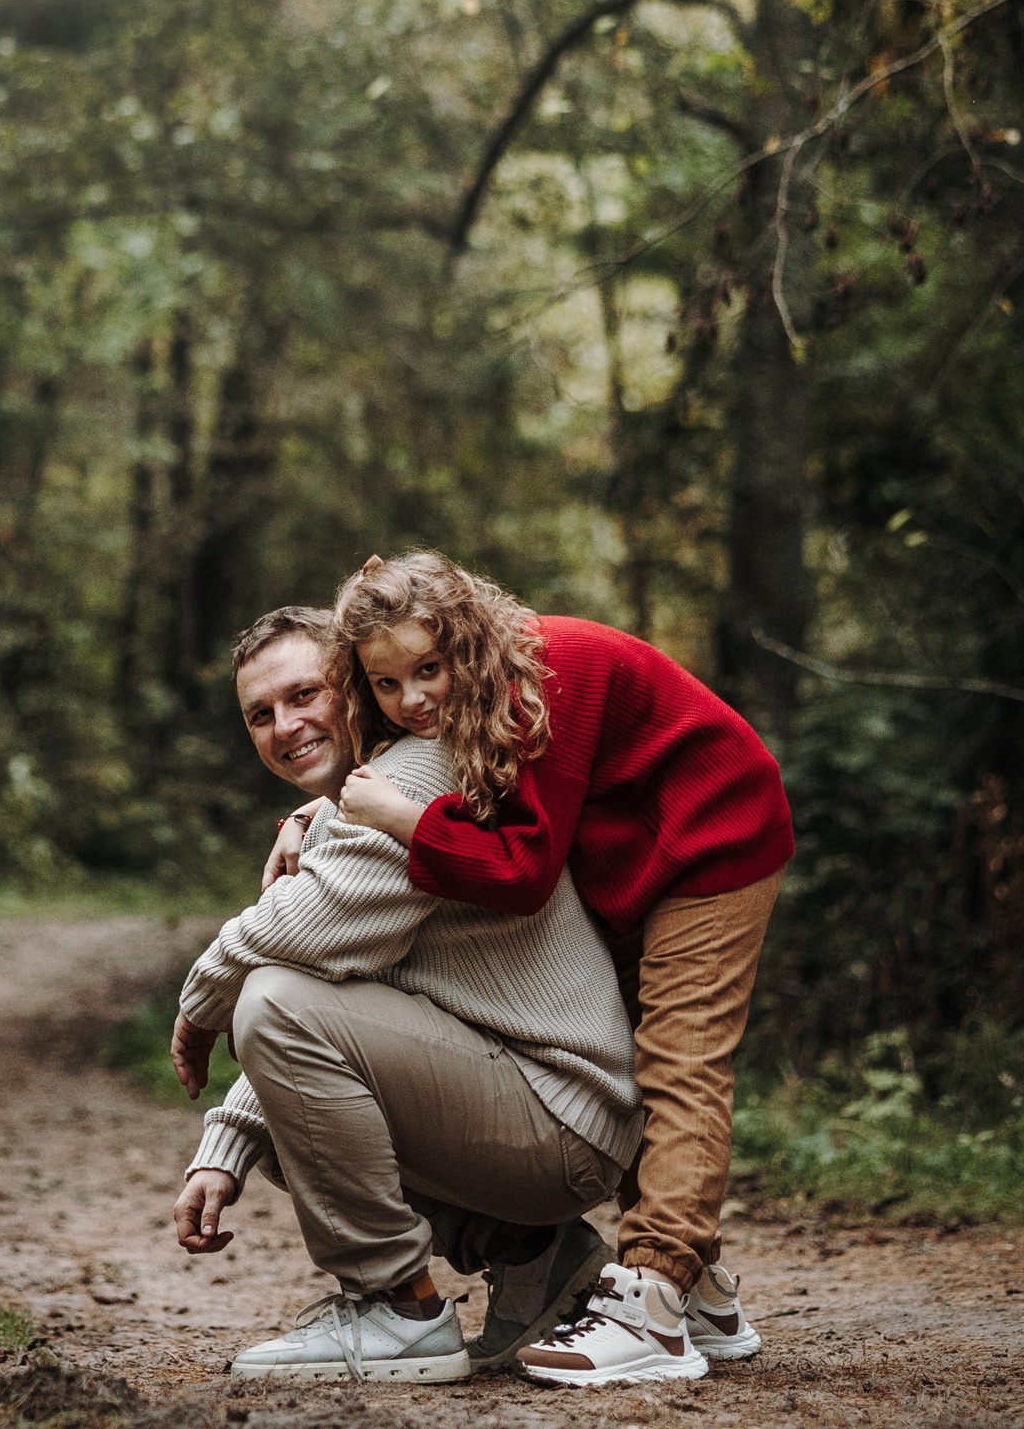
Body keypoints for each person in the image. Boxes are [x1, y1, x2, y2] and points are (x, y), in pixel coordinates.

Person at [277, 552, 791, 1385]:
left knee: (679, 1060)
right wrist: (324, 807)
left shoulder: (538, 680)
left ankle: (657, 1301)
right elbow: (453, 798)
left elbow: (519, 875)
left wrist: (391, 816)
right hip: (628, 857)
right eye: (386, 683)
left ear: (466, 639)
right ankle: (706, 1300)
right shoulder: (471, 702)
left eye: (429, 669)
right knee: (632, 1046)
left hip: (713, 831)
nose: (412, 700)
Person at [165, 610, 645, 1381]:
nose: (286, 726)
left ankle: (398, 1307)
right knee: (300, 1114)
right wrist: (228, 1146)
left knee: (268, 999)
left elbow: (290, 982)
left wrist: (201, 998)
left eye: (304, 694)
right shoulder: (357, 800)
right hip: (540, 1105)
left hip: (560, 1115)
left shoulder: (412, 778)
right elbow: (336, 1004)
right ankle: (538, 1259)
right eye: (261, 713)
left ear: (353, 687)